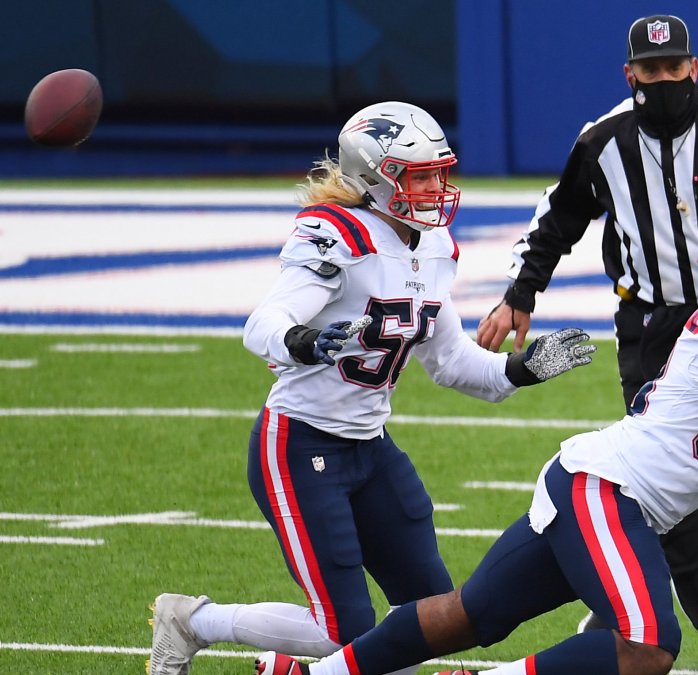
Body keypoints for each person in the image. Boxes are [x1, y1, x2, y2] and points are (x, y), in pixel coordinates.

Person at [251, 237, 698, 675]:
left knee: (468, 615)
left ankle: (313, 673)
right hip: (604, 489)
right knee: (649, 647)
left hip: (614, 499)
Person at [147, 102, 595, 675]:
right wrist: (305, 340)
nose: (437, 186)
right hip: (300, 445)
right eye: (421, 174)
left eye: (439, 171)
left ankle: (286, 669)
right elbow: (263, 325)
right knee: (344, 631)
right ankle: (192, 621)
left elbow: (453, 362)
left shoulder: (432, 247)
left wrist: (519, 370)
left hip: (370, 447)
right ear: (376, 177)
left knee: (439, 614)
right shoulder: (336, 236)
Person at [474, 15, 698, 672]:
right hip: (651, 328)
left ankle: (613, 602)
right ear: (630, 73)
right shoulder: (603, 139)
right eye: (650, 71)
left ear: (694, 67)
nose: (664, 80)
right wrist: (521, 291)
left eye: (673, 68)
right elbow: (561, 215)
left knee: (697, 470)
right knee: (664, 475)